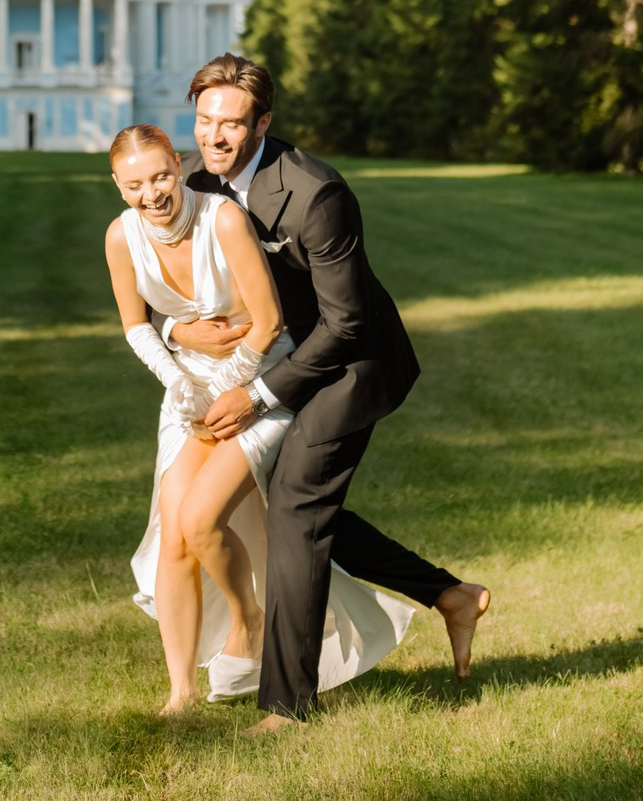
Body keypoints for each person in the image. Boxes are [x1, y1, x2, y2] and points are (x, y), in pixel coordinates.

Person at [165, 53, 490, 734]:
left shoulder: (317, 193)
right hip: (277, 359)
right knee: (291, 505)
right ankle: (450, 595)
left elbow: (345, 325)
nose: (214, 137)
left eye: (231, 124)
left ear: (264, 122)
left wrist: (256, 396)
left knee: (296, 503)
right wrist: (181, 331)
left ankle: (287, 705)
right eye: (203, 121)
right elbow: (177, 278)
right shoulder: (196, 185)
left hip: (352, 365)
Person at [105, 123, 413, 715]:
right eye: (136, 184)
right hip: (188, 388)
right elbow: (138, 325)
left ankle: (247, 626)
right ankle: (180, 693)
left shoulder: (221, 218)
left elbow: (270, 323)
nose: (153, 193)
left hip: (257, 382)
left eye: (162, 175)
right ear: (119, 187)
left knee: (200, 520)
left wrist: (226, 390)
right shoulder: (121, 236)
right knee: (174, 535)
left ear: (178, 163)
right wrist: (179, 383)